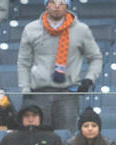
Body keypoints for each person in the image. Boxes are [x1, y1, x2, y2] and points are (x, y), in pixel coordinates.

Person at [16, 0, 101, 133]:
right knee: (39, 137)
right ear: (46, 4)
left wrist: (89, 79)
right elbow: (23, 62)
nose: (56, 6)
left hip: (67, 94)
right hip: (39, 93)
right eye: (52, 2)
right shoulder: (31, 29)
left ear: (67, 5)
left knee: (67, 137)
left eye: (61, 2)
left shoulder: (81, 30)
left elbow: (95, 57)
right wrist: (25, 89)